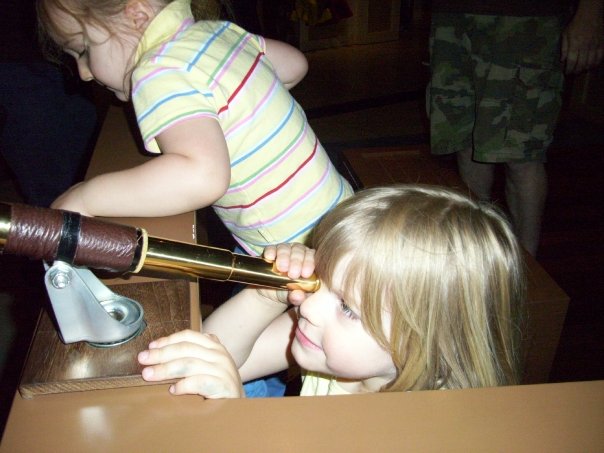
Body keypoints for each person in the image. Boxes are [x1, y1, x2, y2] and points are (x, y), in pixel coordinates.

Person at [137, 184, 526, 397]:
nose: (308, 307)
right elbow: (211, 354)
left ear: (423, 343)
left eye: (349, 308)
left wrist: (236, 418)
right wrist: (264, 296)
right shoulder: (332, 344)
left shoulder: (418, 431)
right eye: (321, 280)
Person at [36, 0, 353, 257]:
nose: (84, 73)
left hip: (297, 251)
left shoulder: (158, 70)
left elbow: (204, 177)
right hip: (343, 216)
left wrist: (86, 197)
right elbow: (295, 65)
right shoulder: (218, 32)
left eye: (83, 50)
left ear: (137, 15)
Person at [427, 0, 604, 256]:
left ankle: (527, 264)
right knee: (467, 143)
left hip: (525, 19)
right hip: (452, 15)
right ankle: (478, 252)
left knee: (521, 154)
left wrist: (589, 13)